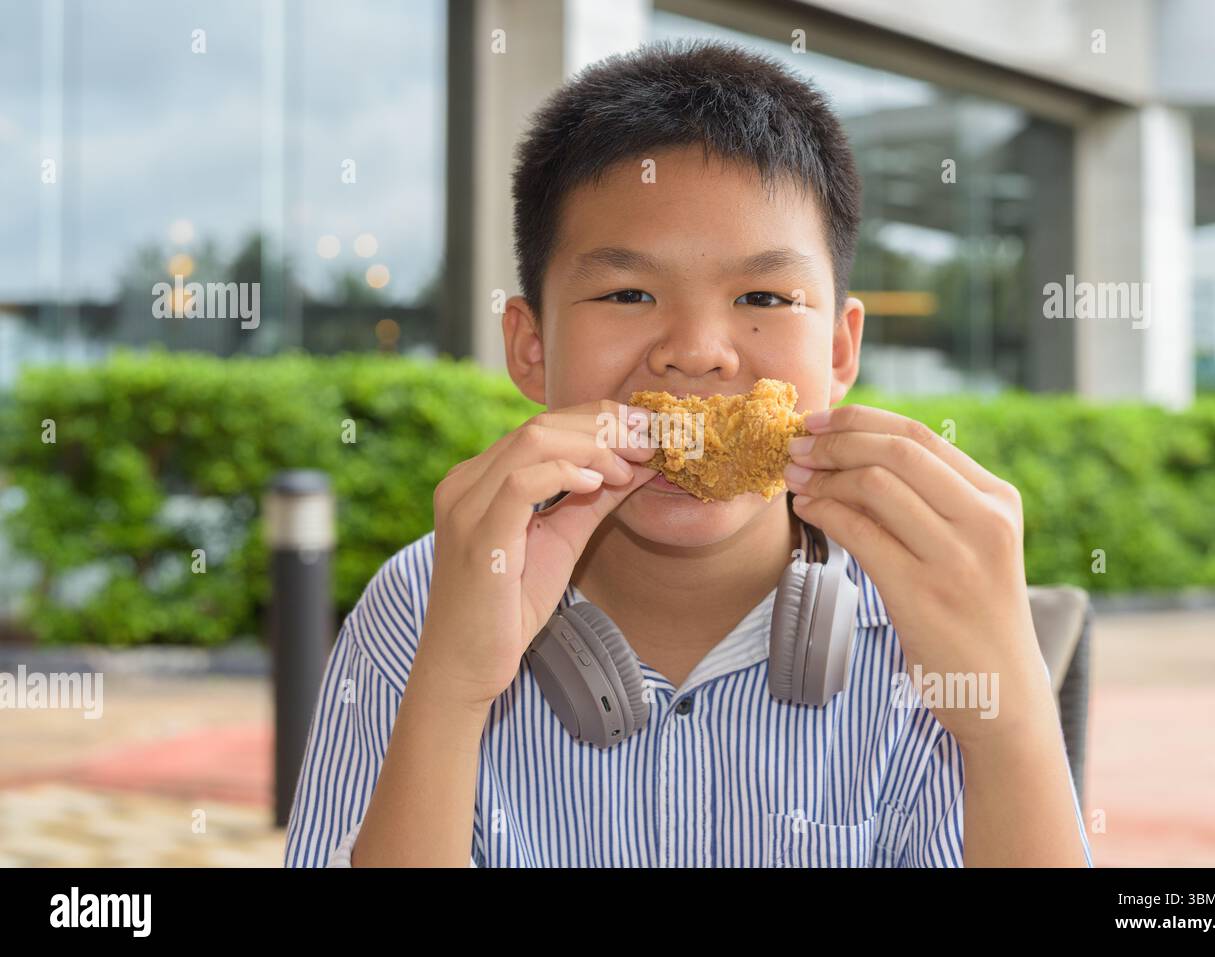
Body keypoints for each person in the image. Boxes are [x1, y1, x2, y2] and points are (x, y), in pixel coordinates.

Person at [284, 39, 1093, 868]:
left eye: (764, 297)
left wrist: (1011, 713)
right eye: (629, 293)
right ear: (530, 348)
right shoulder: (425, 602)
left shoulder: (922, 618)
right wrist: (451, 690)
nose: (698, 351)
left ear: (842, 352)